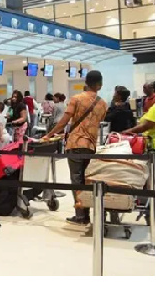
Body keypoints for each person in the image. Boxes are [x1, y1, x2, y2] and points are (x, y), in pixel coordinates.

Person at [43, 71, 107, 226]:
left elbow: (64, 122)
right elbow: (100, 120)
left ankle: (81, 216)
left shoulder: (76, 99)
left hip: (76, 144)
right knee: (86, 180)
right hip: (91, 146)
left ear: (86, 82)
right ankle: (86, 213)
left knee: (76, 180)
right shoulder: (103, 103)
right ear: (100, 84)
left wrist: (49, 135)